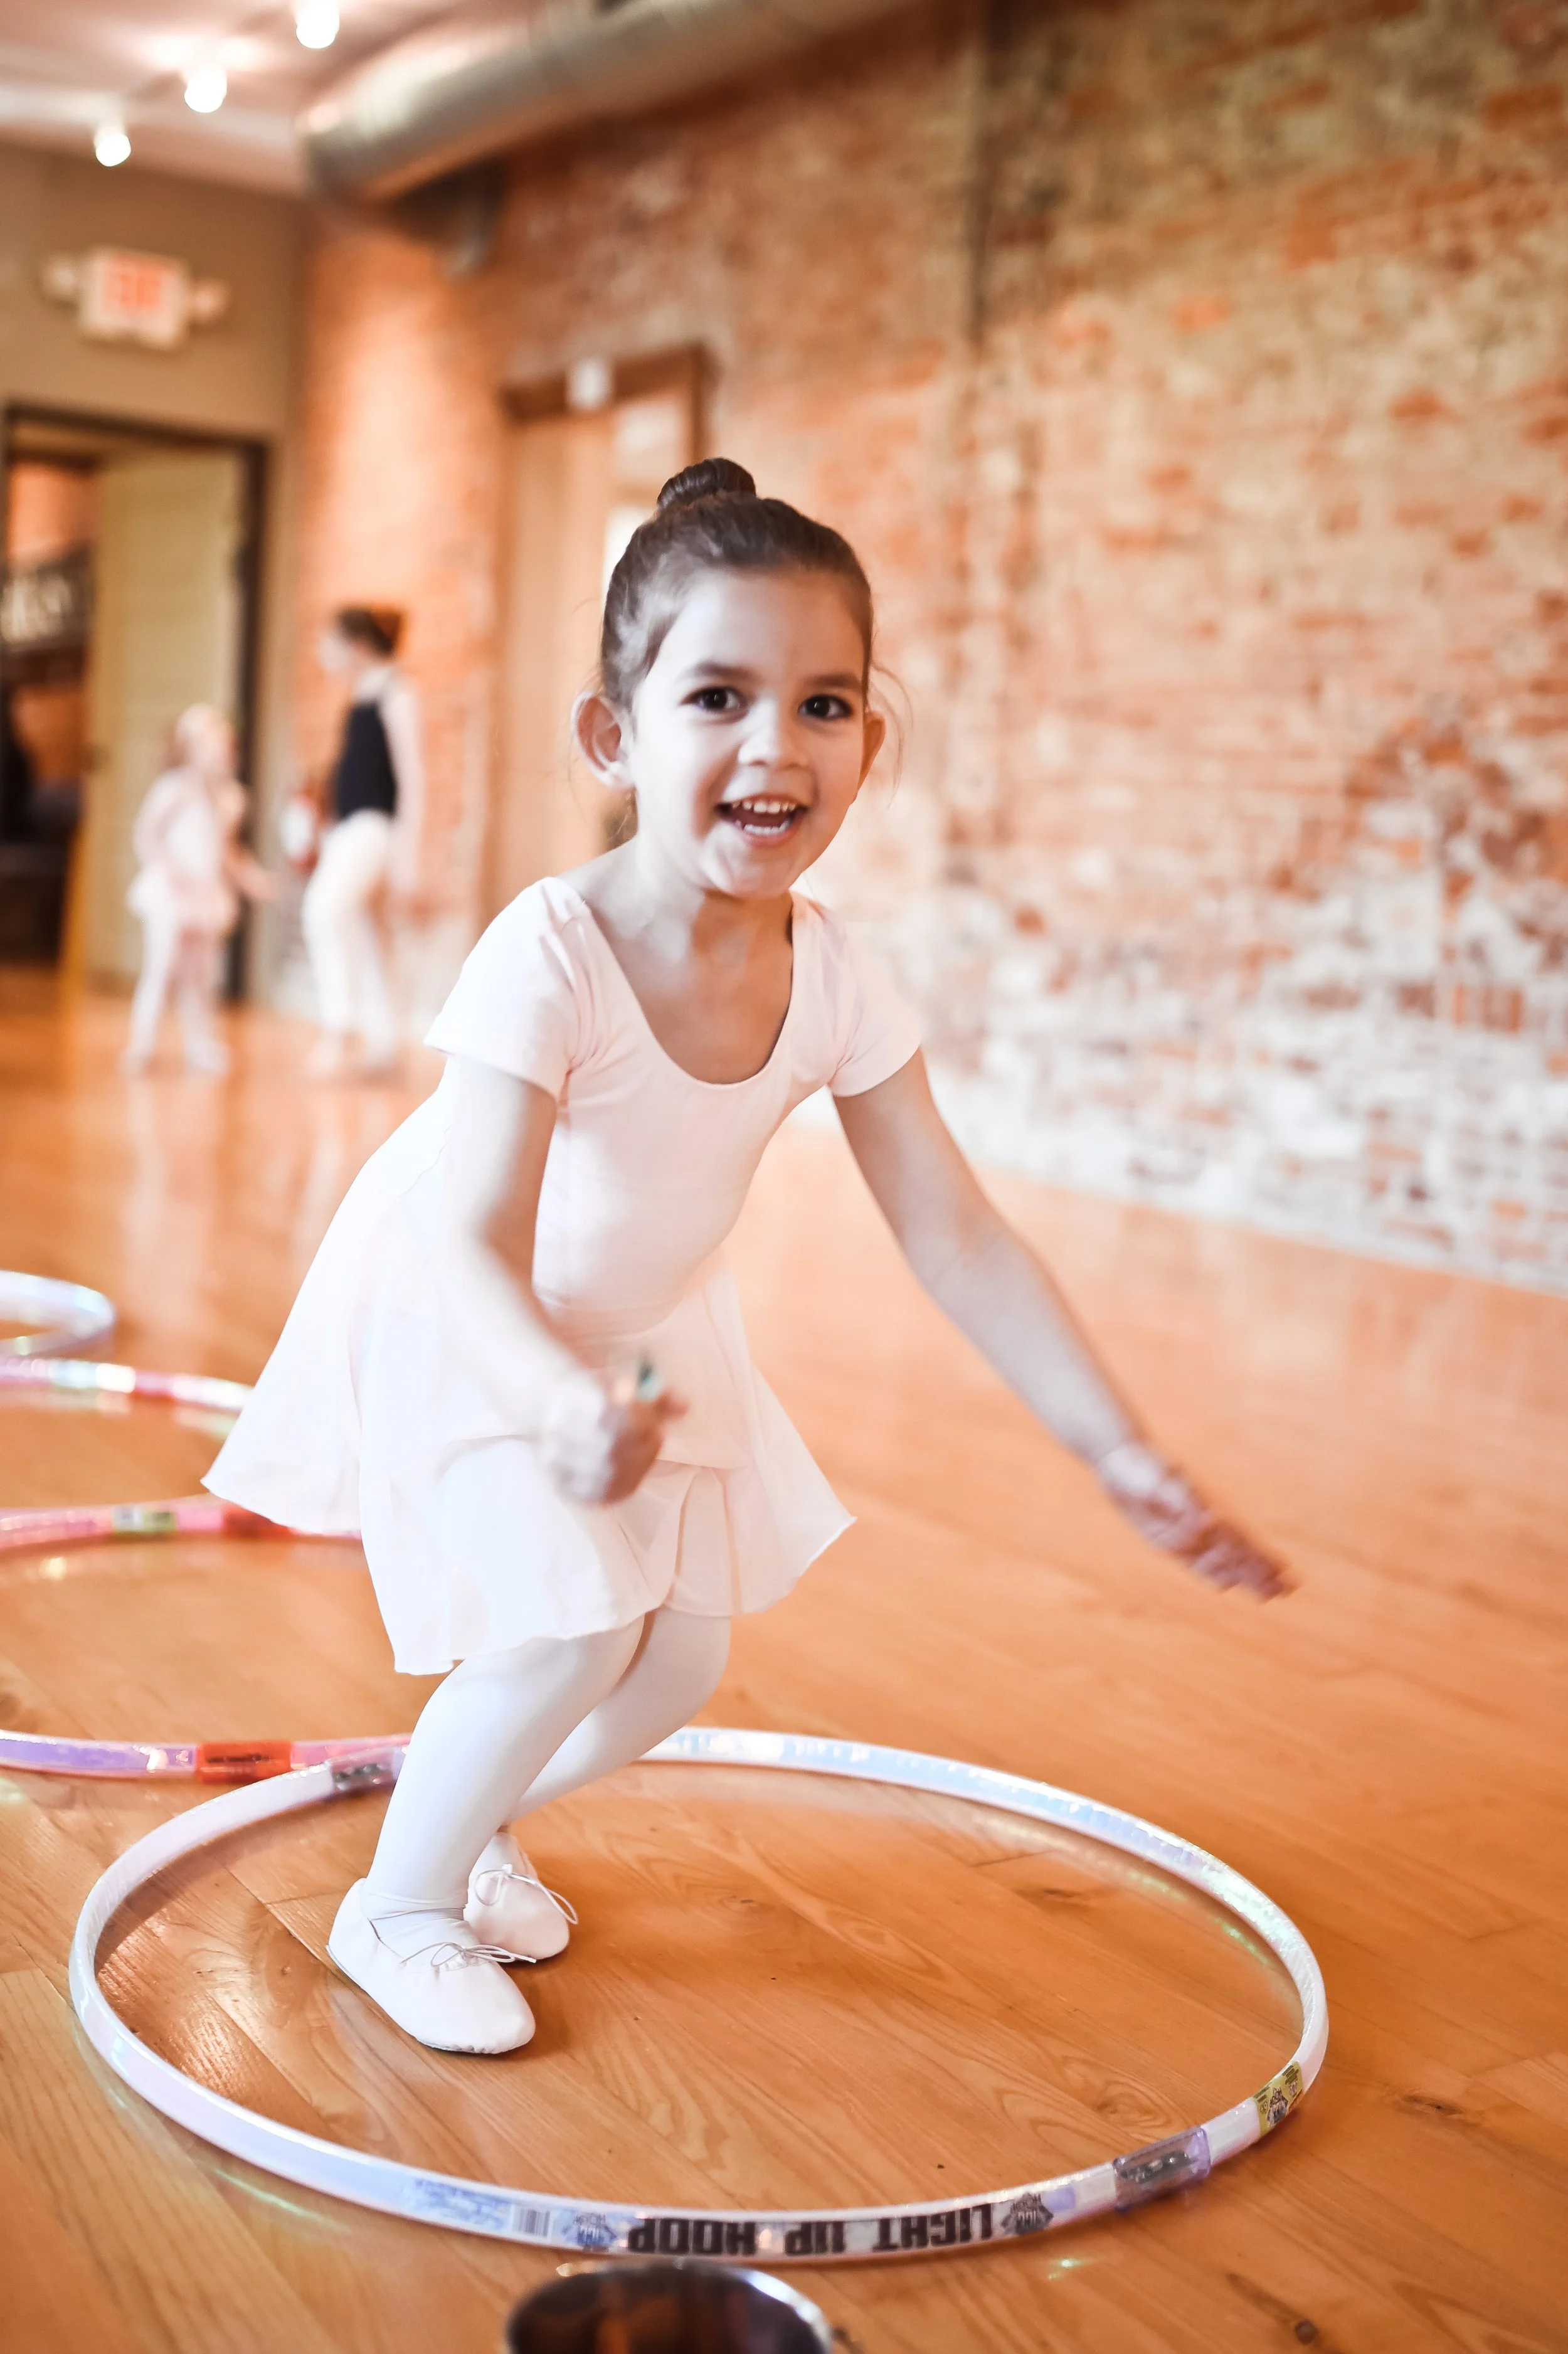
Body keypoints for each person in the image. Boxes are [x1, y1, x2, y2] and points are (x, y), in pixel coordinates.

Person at [206, 460, 1288, 2057]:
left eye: (826, 704)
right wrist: (552, 1404)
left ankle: (472, 1819)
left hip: (647, 1324)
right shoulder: (552, 950)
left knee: (681, 1652)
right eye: (717, 696)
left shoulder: (834, 969)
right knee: (572, 1628)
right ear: (613, 735)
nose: (776, 744)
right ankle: (399, 1904)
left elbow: (956, 1228)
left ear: (867, 740)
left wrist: (1114, 1445)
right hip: (477, 1307)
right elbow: (469, 1233)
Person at [301, 606, 426, 1079]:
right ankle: (387, 1040)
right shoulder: (361, 696)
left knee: (324, 910)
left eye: (328, 643)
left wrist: (408, 859)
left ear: (356, 645)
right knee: (373, 934)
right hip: (350, 827)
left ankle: (341, 1028)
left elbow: (413, 777)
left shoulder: (398, 692)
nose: (322, 654)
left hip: (375, 828)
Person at [122, 704, 272, 1076]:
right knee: (161, 968)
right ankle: (143, 1043)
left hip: (204, 897)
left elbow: (228, 851)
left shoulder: (229, 798)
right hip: (173, 895)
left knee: (201, 976)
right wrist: (166, 869)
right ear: (190, 747)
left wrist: (252, 878)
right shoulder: (173, 788)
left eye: (226, 744)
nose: (222, 751)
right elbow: (147, 834)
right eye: (212, 743)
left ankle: (200, 1044)